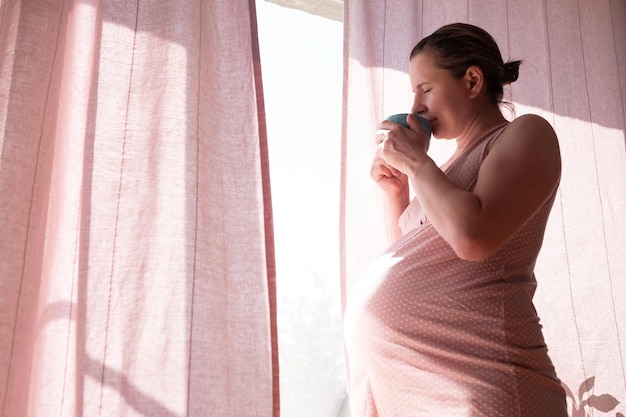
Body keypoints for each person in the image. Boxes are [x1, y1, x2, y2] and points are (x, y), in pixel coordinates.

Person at [343, 23, 568, 416]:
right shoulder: (441, 171)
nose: (415, 108)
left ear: (472, 81)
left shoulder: (525, 134)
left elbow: (471, 237)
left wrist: (416, 162)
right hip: (422, 386)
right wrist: (398, 191)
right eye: (413, 93)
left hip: (485, 383)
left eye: (425, 89)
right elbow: (426, 259)